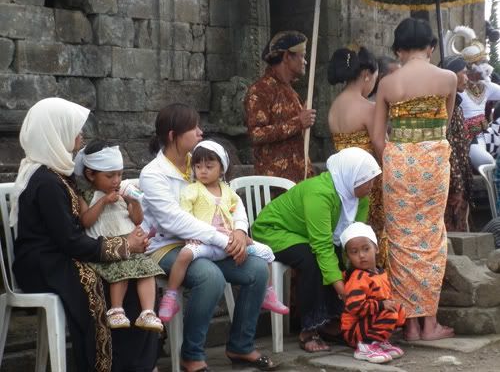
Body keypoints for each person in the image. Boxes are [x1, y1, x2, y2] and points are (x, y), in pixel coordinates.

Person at [10, 98, 153, 372]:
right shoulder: (46, 182)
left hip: (62, 254)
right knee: (97, 284)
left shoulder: (58, 173)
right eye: (74, 130)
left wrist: (126, 248)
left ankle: (135, 365)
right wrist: (124, 245)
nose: (80, 136)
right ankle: (105, 365)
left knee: (130, 276)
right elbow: (68, 239)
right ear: (56, 132)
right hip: (43, 263)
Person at [140, 103, 278, 372]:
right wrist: (223, 239)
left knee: (258, 269)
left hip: (212, 241)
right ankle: (192, 354)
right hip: (167, 246)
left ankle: (241, 345)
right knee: (209, 276)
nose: (200, 133)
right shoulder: (153, 174)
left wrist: (239, 231)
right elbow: (174, 221)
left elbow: (230, 198)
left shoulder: (200, 160)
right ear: (173, 136)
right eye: (193, 128)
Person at [372, 17, 456, 341]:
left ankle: (408, 324)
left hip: (398, 164)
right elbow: (444, 124)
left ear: (398, 49)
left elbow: (379, 138)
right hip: (433, 163)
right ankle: (430, 323)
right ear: (431, 48)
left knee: (402, 240)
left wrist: (398, 158)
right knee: (432, 238)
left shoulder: (388, 84)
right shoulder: (448, 78)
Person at [251, 147, 381, 353]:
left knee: (335, 254)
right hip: (274, 231)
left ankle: (331, 321)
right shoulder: (320, 194)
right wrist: (342, 290)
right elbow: (321, 246)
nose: (371, 186)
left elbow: (352, 240)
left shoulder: (360, 198)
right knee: (311, 259)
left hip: (304, 234)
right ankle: (309, 329)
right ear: (352, 176)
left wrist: (358, 274)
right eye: (368, 180)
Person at [158, 140, 289, 322]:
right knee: (185, 255)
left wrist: (240, 234)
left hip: (229, 243)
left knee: (266, 252)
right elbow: (184, 215)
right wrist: (190, 237)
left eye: (209, 166)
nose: (202, 170)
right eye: (198, 166)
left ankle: (268, 293)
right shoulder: (192, 191)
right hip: (206, 243)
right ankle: (170, 297)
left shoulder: (228, 192)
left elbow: (237, 213)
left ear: (222, 169)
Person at [74, 140, 164, 332]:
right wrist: (104, 201)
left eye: (120, 174)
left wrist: (135, 203)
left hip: (132, 246)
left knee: (147, 270)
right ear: (91, 175)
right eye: (110, 175)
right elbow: (85, 221)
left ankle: (147, 313)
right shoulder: (86, 196)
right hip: (109, 247)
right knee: (120, 270)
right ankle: (116, 310)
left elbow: (137, 219)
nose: (116, 180)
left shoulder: (122, 193)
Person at [328, 45, 389, 268]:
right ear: (366, 75)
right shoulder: (368, 108)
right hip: (367, 181)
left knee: (349, 235)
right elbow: (379, 145)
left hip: (342, 182)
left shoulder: (334, 107)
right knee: (371, 236)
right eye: (374, 77)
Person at [244, 30, 316, 183]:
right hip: (276, 183)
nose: (305, 61)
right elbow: (256, 133)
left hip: (299, 178)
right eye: (302, 56)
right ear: (286, 57)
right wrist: (298, 122)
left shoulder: (289, 90)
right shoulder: (260, 90)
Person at [340, 222, 405, 364]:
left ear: (376, 248)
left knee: (398, 309)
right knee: (389, 312)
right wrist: (381, 305)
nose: (361, 255)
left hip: (368, 323)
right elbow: (354, 307)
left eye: (366, 249)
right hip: (353, 331)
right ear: (348, 256)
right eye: (354, 252)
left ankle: (379, 341)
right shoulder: (358, 277)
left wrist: (388, 305)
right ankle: (366, 346)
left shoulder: (381, 273)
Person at [444, 26, 500, 145]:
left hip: (485, 135)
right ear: (471, 67)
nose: (488, 67)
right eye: (482, 63)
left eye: (486, 62)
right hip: (465, 140)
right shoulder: (457, 88)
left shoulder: (487, 86)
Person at [440, 55, 474, 232]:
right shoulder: (447, 107)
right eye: (464, 73)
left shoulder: (457, 105)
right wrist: (456, 185)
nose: (467, 78)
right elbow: (449, 148)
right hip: (452, 185)